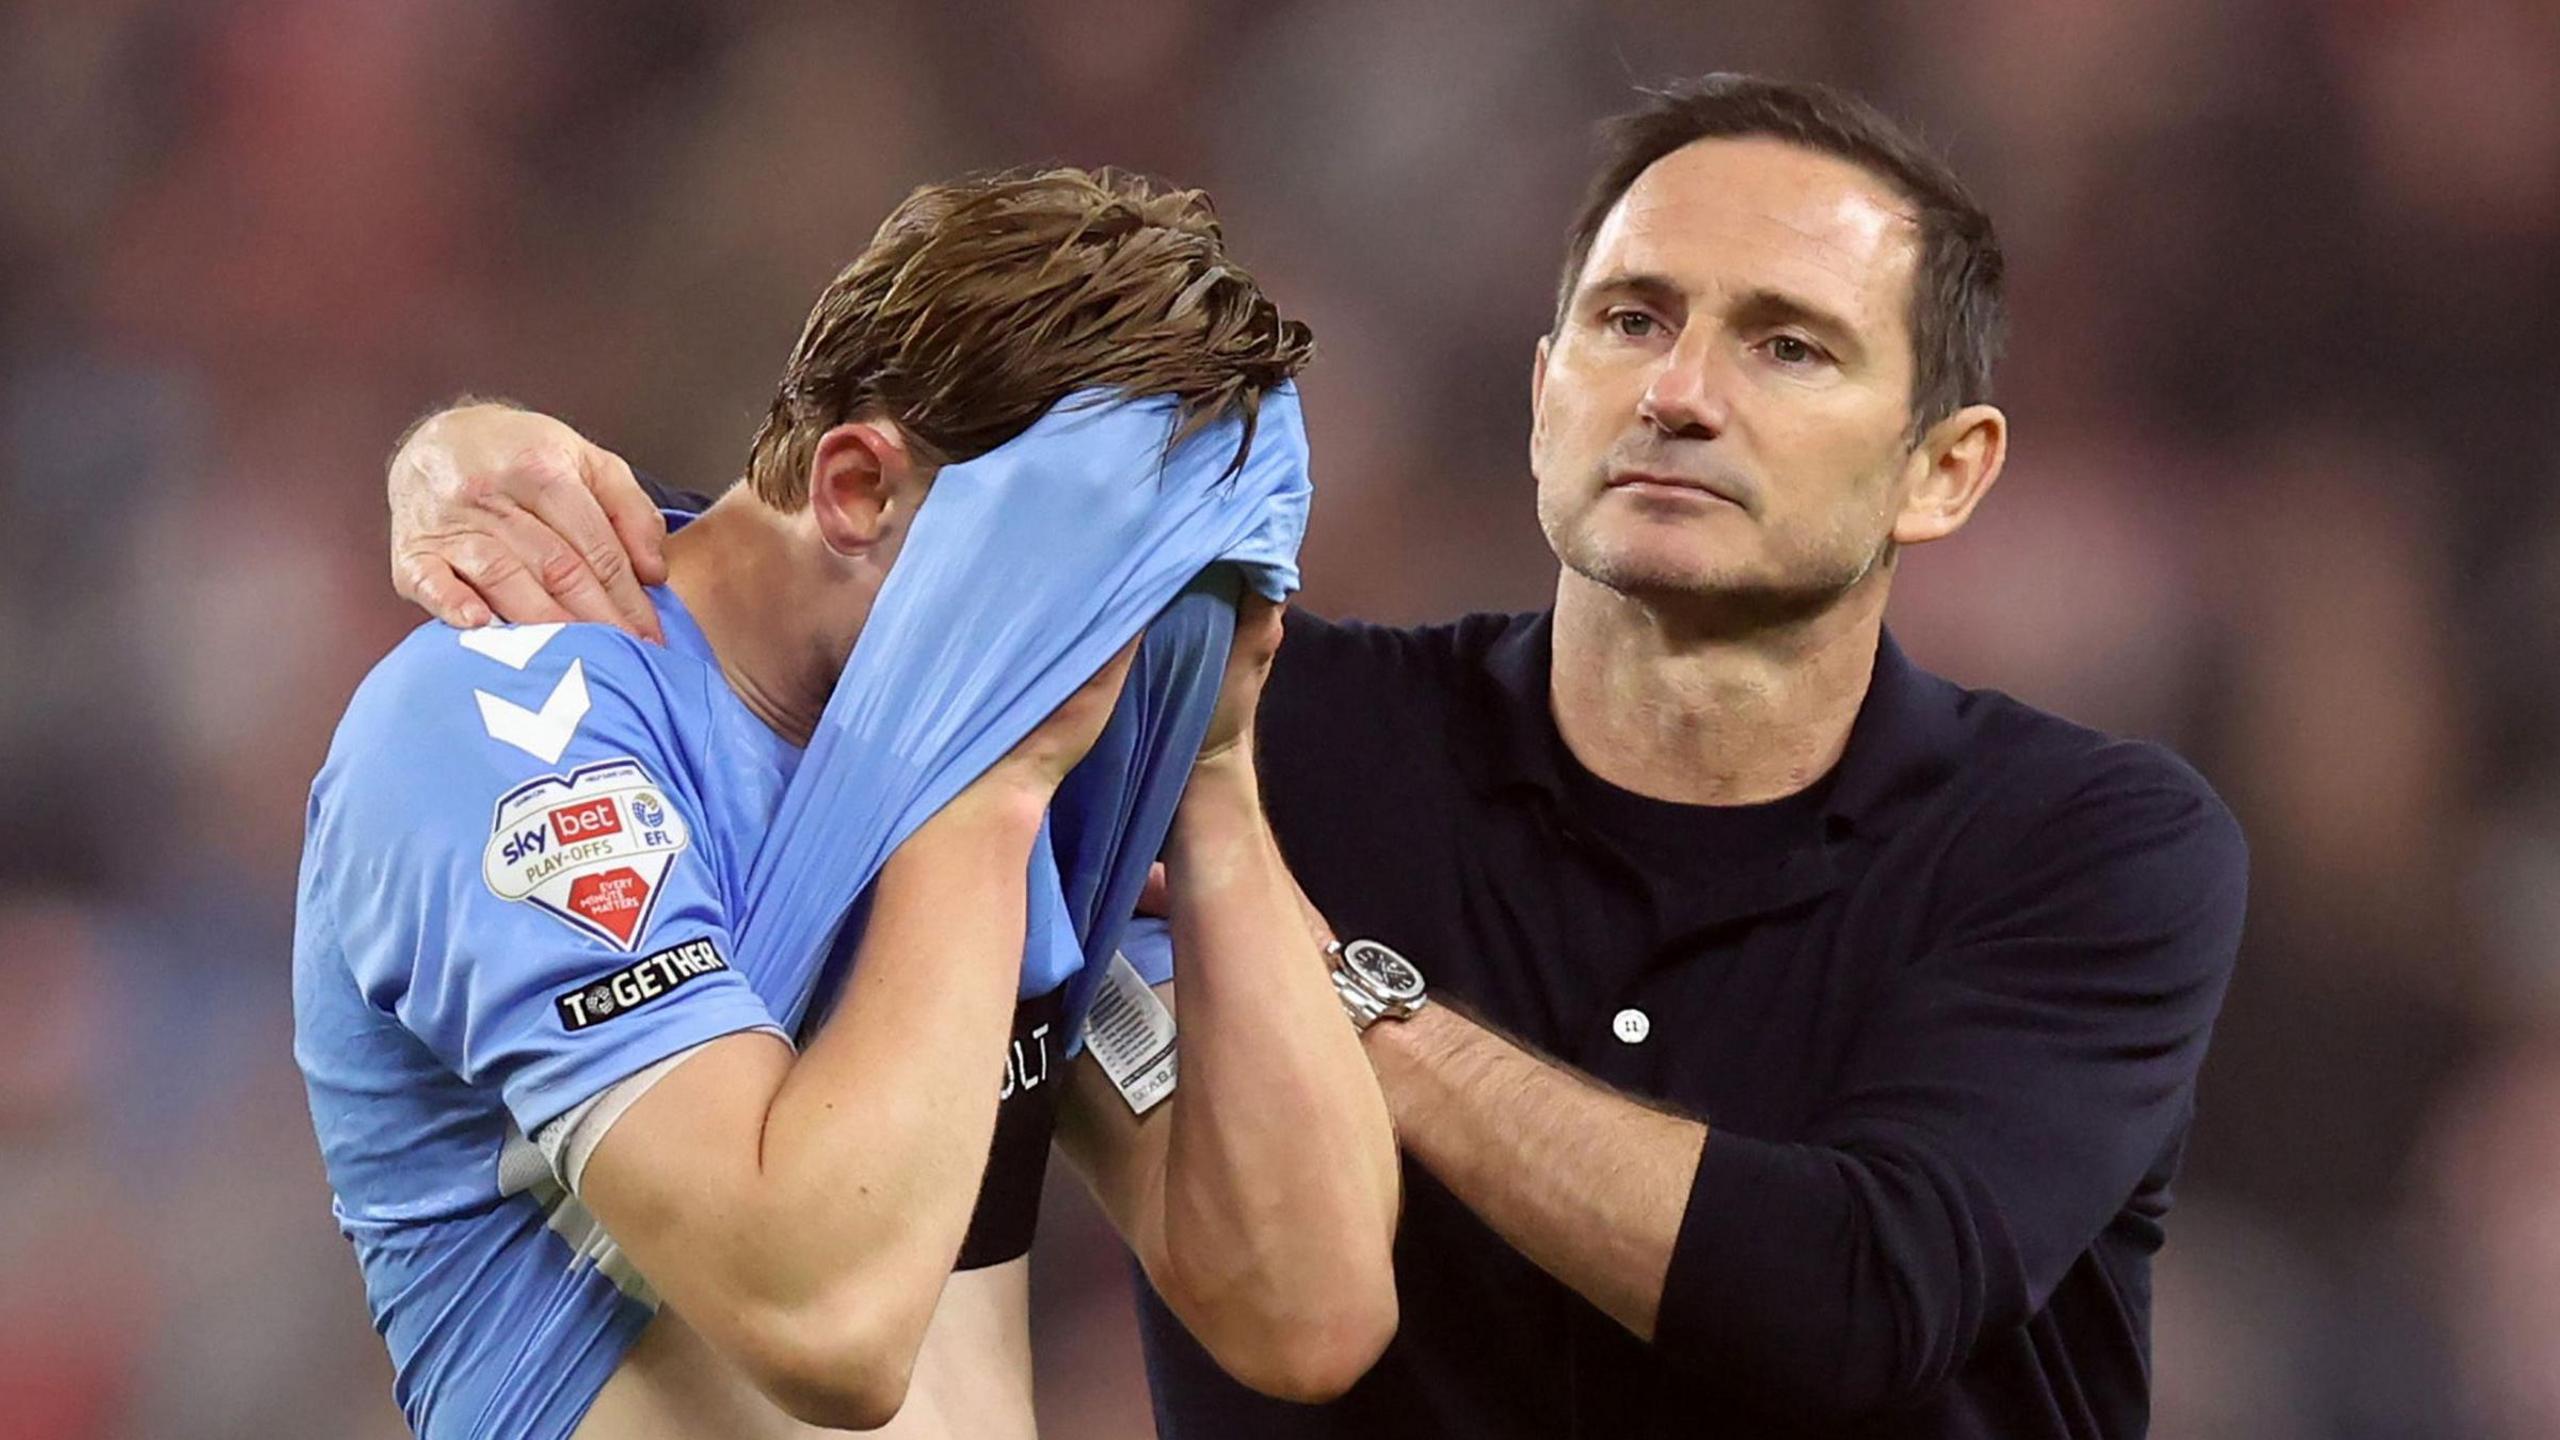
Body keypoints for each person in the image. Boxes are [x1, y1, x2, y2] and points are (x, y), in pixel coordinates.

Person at [384, 76, 2248, 1439]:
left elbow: (1861, 1296)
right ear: (1546, 389)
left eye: (1789, 347)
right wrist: (477, 461)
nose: (1681, 390)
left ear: (1947, 468)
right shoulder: (1239, 722)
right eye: (1633, 320)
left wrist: (1360, 1003)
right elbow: (860, 580)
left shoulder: (2089, 844)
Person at [299, 168, 1400, 1440]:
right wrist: (988, 787)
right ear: (859, 489)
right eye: (1098, 596)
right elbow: (824, 1323)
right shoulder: (513, 729)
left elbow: (1306, 1311)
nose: (1125, 663)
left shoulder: (1068, 761)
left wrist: (1210, 778)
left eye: (1186, 603)